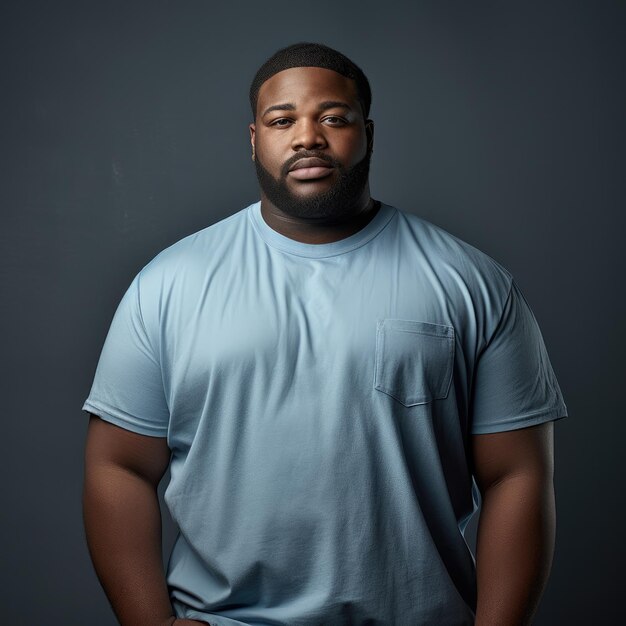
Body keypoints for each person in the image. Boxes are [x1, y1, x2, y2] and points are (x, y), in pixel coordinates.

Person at [82, 42, 569, 626]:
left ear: (367, 132)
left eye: (332, 118)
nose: (307, 136)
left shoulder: (471, 282)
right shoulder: (167, 284)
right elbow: (118, 466)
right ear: (254, 138)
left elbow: (517, 473)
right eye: (282, 120)